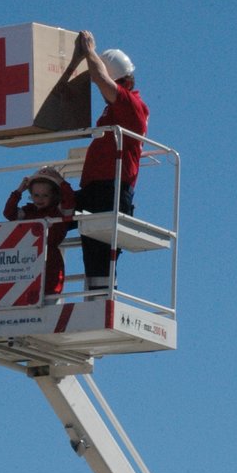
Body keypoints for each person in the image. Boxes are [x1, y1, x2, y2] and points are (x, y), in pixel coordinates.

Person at [73, 30, 149, 294]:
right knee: (52, 217)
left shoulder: (131, 104)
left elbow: (102, 78)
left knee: (100, 254)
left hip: (111, 191)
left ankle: (101, 300)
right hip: (95, 190)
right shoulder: (115, 109)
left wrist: (89, 51)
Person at [3, 167, 75, 301]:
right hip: (26, 262)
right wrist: (18, 191)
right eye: (36, 195)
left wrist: (61, 182)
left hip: (51, 263)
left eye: (45, 195)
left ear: (54, 196)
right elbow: (9, 213)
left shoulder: (59, 211)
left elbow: (69, 200)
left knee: (49, 298)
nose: (40, 199)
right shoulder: (27, 212)